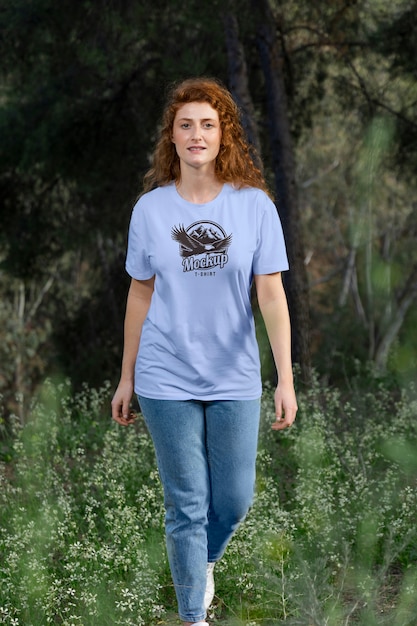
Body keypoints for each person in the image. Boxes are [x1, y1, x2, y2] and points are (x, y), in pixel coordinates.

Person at [111, 76, 298, 626]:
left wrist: (285, 379)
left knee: (234, 501)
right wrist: (126, 377)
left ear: (224, 136)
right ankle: (194, 615)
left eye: (208, 125)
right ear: (171, 137)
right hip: (164, 375)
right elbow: (139, 293)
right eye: (186, 125)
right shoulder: (150, 210)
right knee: (186, 504)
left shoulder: (254, 207)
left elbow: (271, 294)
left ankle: (202, 561)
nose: (197, 135)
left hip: (234, 373)